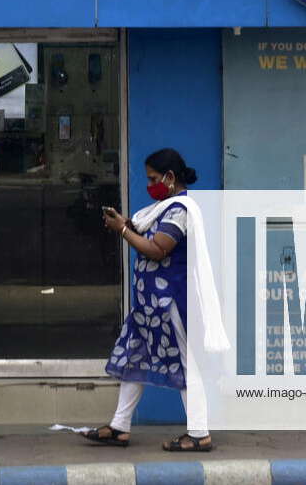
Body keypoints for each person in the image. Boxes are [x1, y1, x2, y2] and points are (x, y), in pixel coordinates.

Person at [81, 148, 226, 452]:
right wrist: (126, 225)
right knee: (134, 356)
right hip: (148, 307)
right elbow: (145, 236)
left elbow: (158, 249)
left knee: (187, 365)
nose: (150, 185)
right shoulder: (161, 209)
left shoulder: (180, 210)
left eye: (153, 178)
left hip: (170, 303)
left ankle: (199, 433)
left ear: (170, 178)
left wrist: (122, 230)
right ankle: (119, 427)